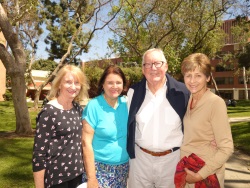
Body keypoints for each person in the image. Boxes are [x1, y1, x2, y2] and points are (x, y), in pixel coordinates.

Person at [127, 48, 190, 187]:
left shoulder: (182, 92)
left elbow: (195, 122)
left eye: (157, 63)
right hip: (140, 160)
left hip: (172, 161)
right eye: (148, 64)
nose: (153, 68)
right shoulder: (133, 92)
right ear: (143, 69)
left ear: (166, 66)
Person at [178, 53, 234, 187]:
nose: (192, 81)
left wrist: (199, 175)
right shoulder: (189, 99)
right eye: (188, 75)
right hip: (188, 169)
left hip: (206, 175)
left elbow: (227, 148)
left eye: (198, 75)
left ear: (208, 77)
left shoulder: (215, 103)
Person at [32, 64, 89, 188]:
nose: (73, 87)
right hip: (57, 179)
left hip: (78, 176)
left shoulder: (78, 109)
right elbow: (39, 155)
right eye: (68, 82)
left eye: (77, 83)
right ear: (59, 85)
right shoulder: (48, 112)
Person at [82, 65, 129, 188]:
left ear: (123, 85)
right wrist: (91, 178)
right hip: (99, 169)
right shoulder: (93, 106)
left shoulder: (127, 104)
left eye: (118, 82)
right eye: (110, 83)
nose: (114, 86)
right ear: (103, 85)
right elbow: (86, 143)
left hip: (123, 169)